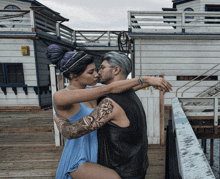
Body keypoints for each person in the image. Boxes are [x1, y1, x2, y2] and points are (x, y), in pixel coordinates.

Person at [54, 51, 172, 179]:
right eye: (91, 72)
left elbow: (121, 90)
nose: (97, 74)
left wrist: (147, 83)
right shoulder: (60, 96)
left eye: (98, 69)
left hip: (95, 151)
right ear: (73, 75)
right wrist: (144, 79)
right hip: (79, 154)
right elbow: (109, 89)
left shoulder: (90, 92)